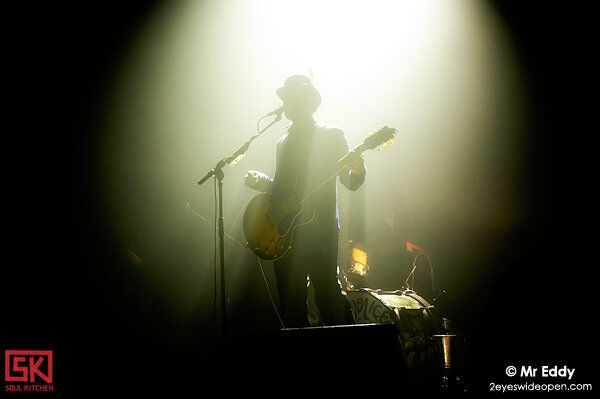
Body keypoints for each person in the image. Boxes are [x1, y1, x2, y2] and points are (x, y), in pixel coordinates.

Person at [245, 75, 366, 327]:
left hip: (320, 229)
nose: (288, 102)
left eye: (294, 97)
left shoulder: (332, 135)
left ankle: (354, 351)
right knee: (291, 302)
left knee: (328, 294)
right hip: (286, 230)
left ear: (309, 102)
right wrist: (261, 181)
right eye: (286, 98)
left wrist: (358, 171)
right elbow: (281, 190)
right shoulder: (283, 141)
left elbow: (349, 182)